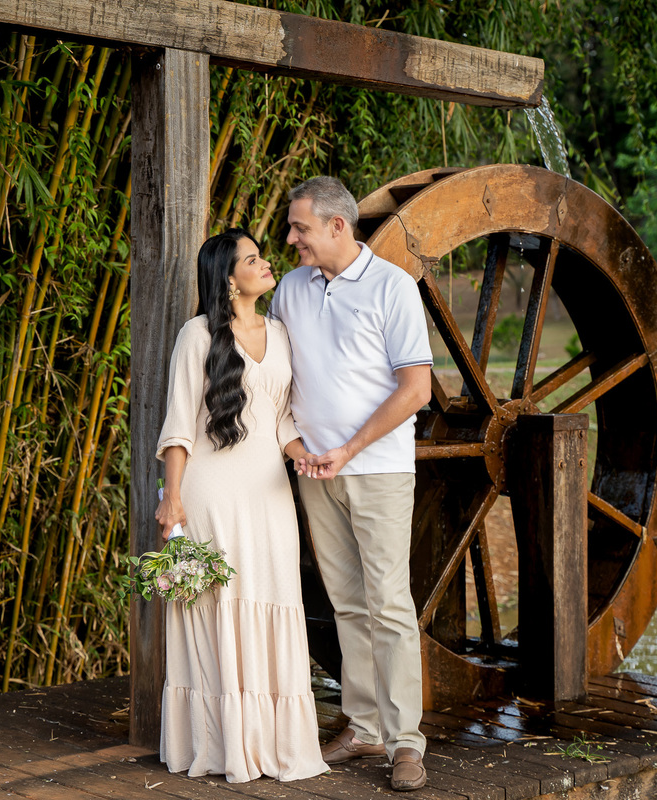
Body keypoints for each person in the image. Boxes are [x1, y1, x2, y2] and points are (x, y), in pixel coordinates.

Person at [268, 177, 432, 792]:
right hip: (315, 471)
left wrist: (348, 449)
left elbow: (415, 389)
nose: (291, 240)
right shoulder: (290, 288)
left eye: (300, 228)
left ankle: (406, 743)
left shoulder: (392, 287)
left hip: (378, 470)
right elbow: (274, 374)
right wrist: (299, 448)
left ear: (339, 226)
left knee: (389, 605)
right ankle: (363, 728)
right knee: (346, 603)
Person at [154, 229, 329, 784]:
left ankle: (272, 745)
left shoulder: (279, 332)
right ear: (229, 279)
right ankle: (224, 743)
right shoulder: (197, 335)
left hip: (270, 493)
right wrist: (172, 499)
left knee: (273, 599)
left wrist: (308, 457)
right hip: (211, 494)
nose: (266, 262)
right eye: (252, 259)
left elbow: (280, 419)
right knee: (220, 608)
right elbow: (179, 425)